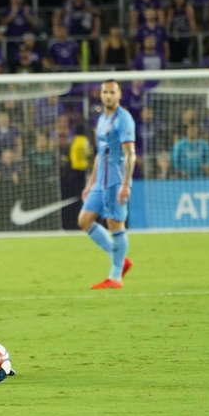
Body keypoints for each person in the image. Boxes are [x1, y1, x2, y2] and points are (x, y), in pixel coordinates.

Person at [80, 80, 135, 290]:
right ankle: (120, 258)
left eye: (112, 92)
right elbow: (100, 153)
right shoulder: (102, 119)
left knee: (115, 225)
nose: (108, 96)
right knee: (84, 220)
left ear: (119, 94)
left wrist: (126, 184)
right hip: (100, 181)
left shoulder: (124, 119)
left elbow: (131, 154)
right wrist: (90, 183)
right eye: (105, 92)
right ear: (100, 94)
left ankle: (115, 277)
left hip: (115, 180)